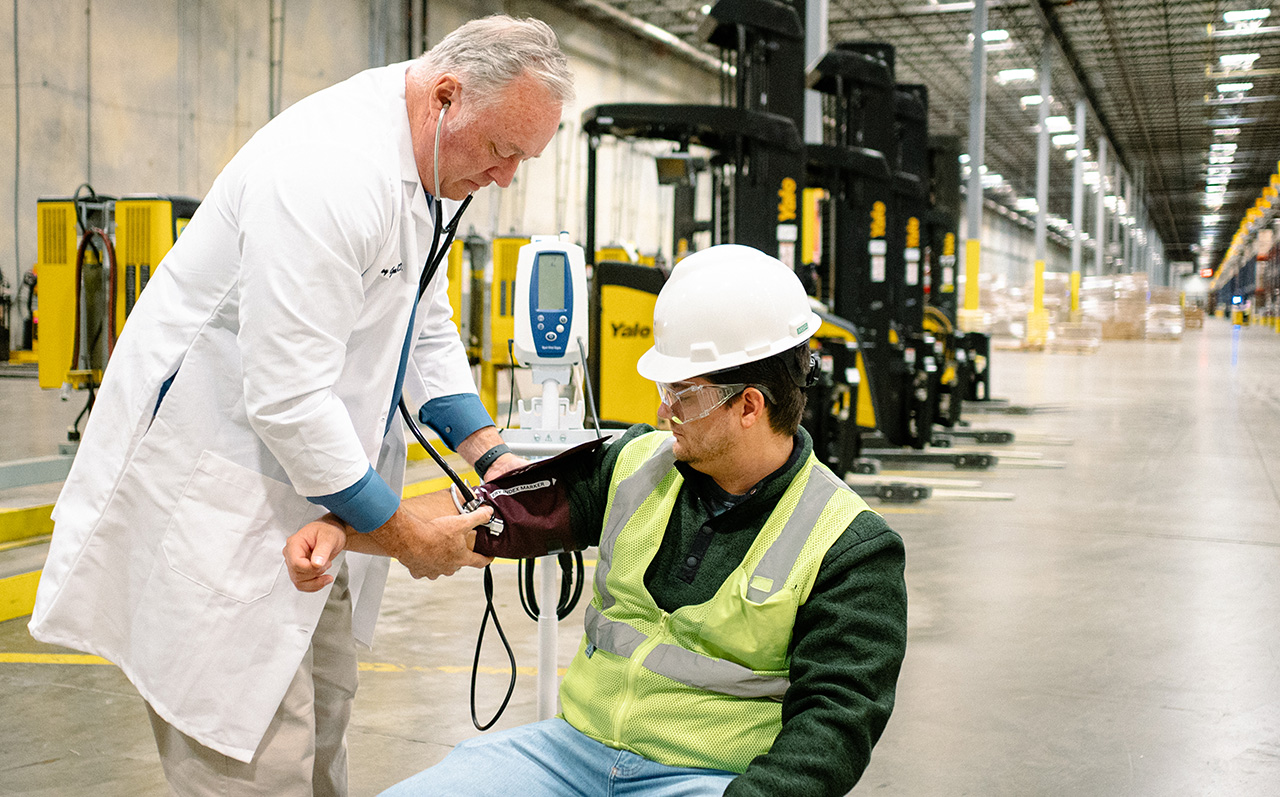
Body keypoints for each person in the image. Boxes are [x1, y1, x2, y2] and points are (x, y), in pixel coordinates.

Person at [29, 15, 574, 796]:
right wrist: (407, 534)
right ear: (447, 98)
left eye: (524, 158)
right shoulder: (328, 169)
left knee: (322, 740)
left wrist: (489, 452)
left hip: (317, 497)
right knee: (249, 764)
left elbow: (422, 317)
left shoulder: (425, 171)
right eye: (501, 151)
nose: (505, 179)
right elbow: (284, 397)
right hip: (219, 500)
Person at [289, 244, 909, 796]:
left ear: (749, 405)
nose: (662, 411)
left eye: (683, 395)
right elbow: (487, 514)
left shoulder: (851, 548)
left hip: (709, 777)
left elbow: (834, 727)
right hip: (571, 757)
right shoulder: (635, 466)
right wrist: (344, 531)